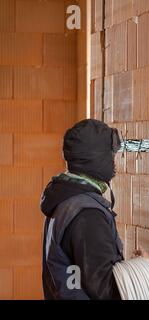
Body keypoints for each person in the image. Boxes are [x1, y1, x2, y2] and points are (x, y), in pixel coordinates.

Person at [40, 119, 124, 300]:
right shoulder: (88, 215)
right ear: (98, 158)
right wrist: (142, 267)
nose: (115, 160)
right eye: (112, 154)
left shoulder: (66, 201)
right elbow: (107, 292)